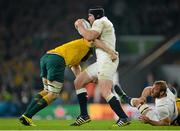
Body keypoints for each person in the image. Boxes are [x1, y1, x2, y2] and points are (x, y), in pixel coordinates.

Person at [19, 38, 117, 126]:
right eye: (90, 55)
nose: (88, 58)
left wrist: (86, 80)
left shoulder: (76, 52)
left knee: (46, 91)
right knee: (53, 95)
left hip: (46, 57)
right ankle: (28, 115)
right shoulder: (87, 43)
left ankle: (25, 115)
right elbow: (93, 40)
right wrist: (110, 51)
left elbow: (76, 70)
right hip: (57, 60)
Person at [71, 6, 129, 127]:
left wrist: (80, 25)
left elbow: (90, 37)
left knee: (105, 91)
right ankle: (84, 115)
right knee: (78, 82)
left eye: (90, 16)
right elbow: (93, 40)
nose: (88, 18)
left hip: (107, 61)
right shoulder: (102, 23)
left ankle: (123, 118)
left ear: (96, 16)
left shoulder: (100, 21)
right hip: (102, 61)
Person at [114, 80, 179, 126]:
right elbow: (148, 89)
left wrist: (149, 121)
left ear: (162, 93)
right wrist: (143, 97)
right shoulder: (167, 91)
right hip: (173, 115)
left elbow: (165, 123)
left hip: (160, 119)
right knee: (139, 101)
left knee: (138, 103)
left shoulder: (162, 107)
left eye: (155, 89)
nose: (152, 90)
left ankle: (124, 97)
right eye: (153, 87)